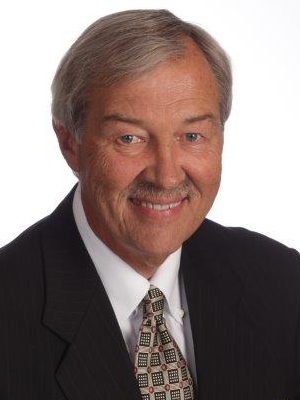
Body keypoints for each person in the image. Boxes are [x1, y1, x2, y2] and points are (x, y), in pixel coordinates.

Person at [0, 8, 299, 400]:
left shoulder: (282, 283)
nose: (167, 176)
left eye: (191, 136)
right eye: (130, 138)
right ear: (69, 142)